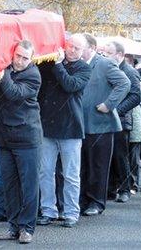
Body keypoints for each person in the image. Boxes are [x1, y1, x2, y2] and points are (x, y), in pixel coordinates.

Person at [36, 34, 91, 228]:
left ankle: (70, 212)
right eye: (70, 46)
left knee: (70, 174)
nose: (73, 50)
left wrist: (58, 65)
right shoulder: (51, 63)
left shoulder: (84, 68)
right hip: (47, 125)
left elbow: (70, 85)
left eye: (77, 48)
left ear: (84, 50)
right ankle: (48, 211)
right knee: (45, 172)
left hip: (70, 128)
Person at [0, 40, 42, 244]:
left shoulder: (33, 75)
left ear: (31, 59)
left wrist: (2, 72)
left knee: (29, 186)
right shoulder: (5, 68)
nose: (20, 61)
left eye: (25, 58)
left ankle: (27, 228)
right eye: (18, 55)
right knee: (9, 185)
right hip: (4, 136)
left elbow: (14, 94)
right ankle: (13, 227)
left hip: (26, 138)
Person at [80, 33, 130, 216]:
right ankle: (83, 200)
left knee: (98, 166)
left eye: (80, 47)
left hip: (101, 124)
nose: (76, 50)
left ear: (91, 48)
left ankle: (96, 202)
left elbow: (124, 83)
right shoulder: (78, 66)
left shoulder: (104, 63)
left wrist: (109, 104)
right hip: (80, 124)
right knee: (83, 165)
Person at [104, 41, 141, 203]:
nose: (105, 55)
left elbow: (135, 96)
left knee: (120, 155)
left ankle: (125, 188)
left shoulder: (129, 71)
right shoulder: (106, 68)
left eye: (108, 52)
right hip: (105, 118)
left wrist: (116, 109)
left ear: (119, 55)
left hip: (121, 119)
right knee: (107, 155)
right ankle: (110, 189)